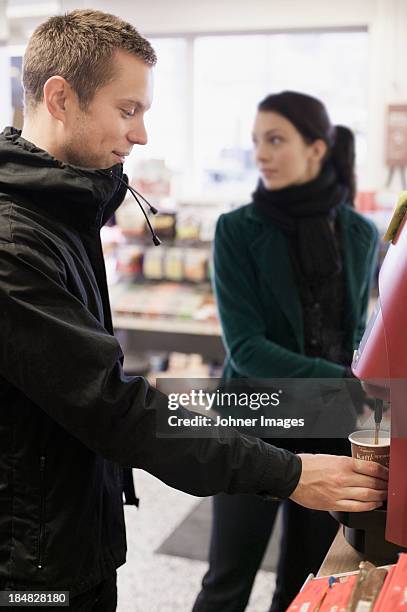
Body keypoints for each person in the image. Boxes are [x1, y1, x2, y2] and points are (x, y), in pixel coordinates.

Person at [0, 13, 386, 611]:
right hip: (32, 558)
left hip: (67, 525)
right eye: (128, 110)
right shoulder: (15, 241)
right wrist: (290, 471)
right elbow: (115, 406)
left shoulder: (66, 205)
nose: (143, 134)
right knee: (228, 575)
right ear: (59, 97)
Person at [193, 91, 380, 612]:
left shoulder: (359, 233)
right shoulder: (236, 229)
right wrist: (345, 377)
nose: (262, 154)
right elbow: (248, 349)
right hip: (251, 419)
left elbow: (354, 334)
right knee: (228, 577)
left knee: (306, 580)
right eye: (257, 141)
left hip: (327, 422)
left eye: (275, 140)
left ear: (316, 149)